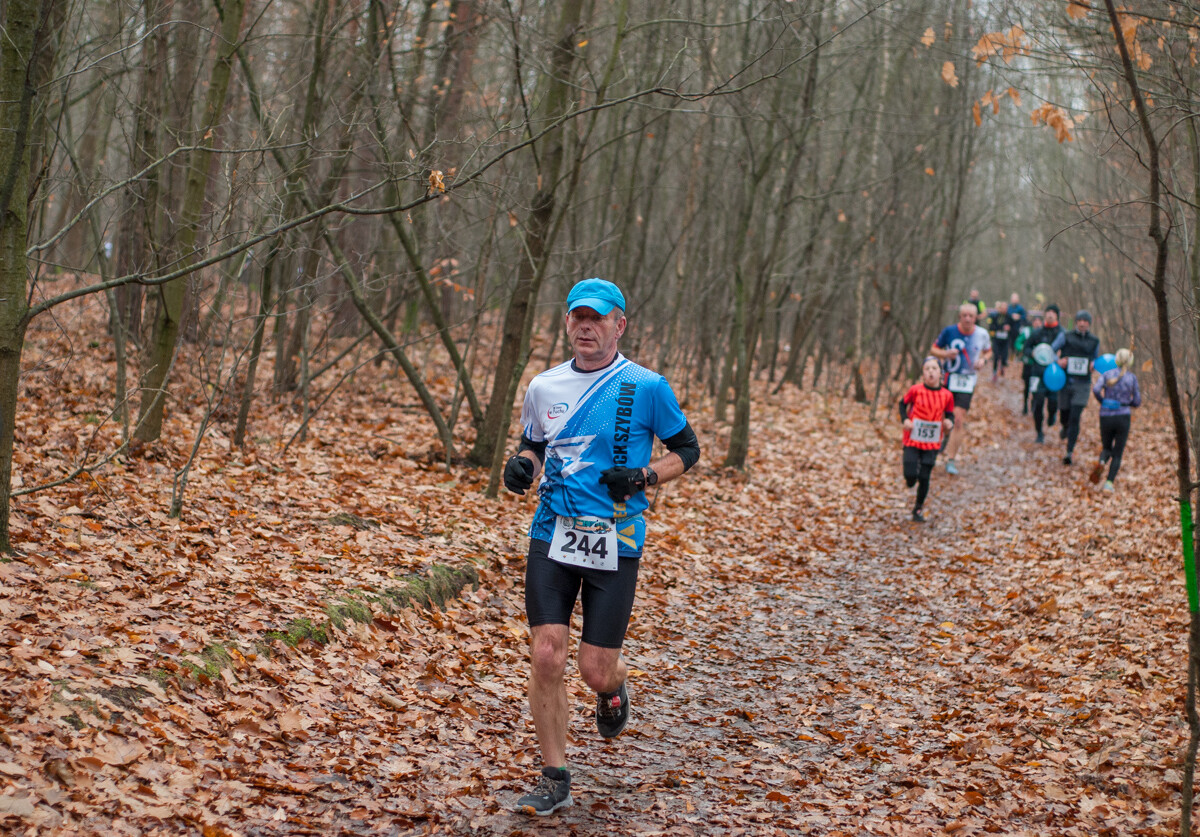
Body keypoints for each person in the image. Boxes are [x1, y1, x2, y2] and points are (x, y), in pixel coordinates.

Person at [502, 277, 701, 816]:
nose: (586, 326)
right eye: (577, 317)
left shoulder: (646, 386)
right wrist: (523, 467)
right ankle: (554, 776)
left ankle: (613, 688)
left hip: (617, 538)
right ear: (567, 322)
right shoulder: (543, 386)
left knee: (594, 668)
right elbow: (533, 445)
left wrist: (643, 476)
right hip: (552, 531)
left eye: (598, 318)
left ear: (620, 324)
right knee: (546, 653)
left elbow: (688, 449)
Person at [929, 304, 992, 475]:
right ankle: (936, 448)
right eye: (964, 315)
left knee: (957, 420)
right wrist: (945, 354)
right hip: (947, 380)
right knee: (941, 418)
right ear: (959, 316)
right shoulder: (949, 331)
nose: (967, 319)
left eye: (971, 316)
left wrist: (983, 361)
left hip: (966, 381)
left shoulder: (981, 334)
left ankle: (950, 460)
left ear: (976, 317)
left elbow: (988, 352)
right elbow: (934, 349)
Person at [900, 357, 955, 522]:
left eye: (934, 369)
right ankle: (910, 480)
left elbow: (950, 413)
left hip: (932, 441)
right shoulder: (915, 390)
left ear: (940, 373)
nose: (931, 372)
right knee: (910, 474)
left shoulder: (947, 395)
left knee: (924, 476)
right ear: (923, 373)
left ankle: (918, 508)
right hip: (912, 438)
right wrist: (905, 420)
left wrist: (949, 422)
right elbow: (902, 404)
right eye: (927, 369)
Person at [1051, 310, 1099, 465]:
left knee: (1075, 417)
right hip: (1065, 382)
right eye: (1080, 320)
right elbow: (1051, 350)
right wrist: (1058, 361)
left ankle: (1069, 451)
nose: (1083, 323)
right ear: (1076, 322)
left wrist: (1094, 364)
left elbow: (1096, 358)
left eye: (1086, 321)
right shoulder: (1066, 336)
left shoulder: (1094, 340)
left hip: (1083, 384)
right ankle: (1064, 426)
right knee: (1065, 413)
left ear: (1089, 324)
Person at [1089, 348, 1141, 491]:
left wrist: (1103, 401)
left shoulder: (1106, 375)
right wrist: (1126, 403)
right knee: (1117, 452)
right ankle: (1109, 483)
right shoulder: (1131, 378)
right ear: (1130, 362)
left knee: (1106, 448)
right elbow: (1137, 401)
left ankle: (1101, 461)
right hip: (1123, 417)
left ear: (1116, 360)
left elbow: (1095, 389)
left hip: (1105, 416)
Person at [1025, 306, 1063, 443]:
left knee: (1053, 402)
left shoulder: (1062, 333)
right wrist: (1032, 353)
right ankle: (1039, 432)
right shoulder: (1037, 332)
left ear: (1057, 316)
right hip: (1037, 373)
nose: (1050, 315)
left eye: (1053, 313)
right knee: (1038, 403)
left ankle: (1052, 415)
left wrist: (1062, 358)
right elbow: (1026, 347)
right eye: (1048, 313)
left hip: (1054, 375)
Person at [1017, 313, 1041, 415]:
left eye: (1038, 321)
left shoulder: (1043, 333)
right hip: (1028, 363)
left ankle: (1034, 404)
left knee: (1036, 387)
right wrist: (1024, 350)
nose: (1037, 323)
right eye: (1035, 321)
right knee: (1027, 386)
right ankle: (1025, 406)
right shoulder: (1026, 332)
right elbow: (1018, 342)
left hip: (1039, 365)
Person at [987, 300, 1013, 380]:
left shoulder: (1009, 317)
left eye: (1005, 308)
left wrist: (1009, 329)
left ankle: (1002, 367)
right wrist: (1001, 328)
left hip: (1005, 340)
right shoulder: (994, 316)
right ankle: (994, 372)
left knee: (1004, 355)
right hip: (996, 339)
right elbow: (991, 327)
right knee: (996, 355)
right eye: (1002, 308)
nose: (1004, 310)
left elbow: (1014, 328)